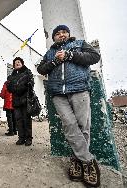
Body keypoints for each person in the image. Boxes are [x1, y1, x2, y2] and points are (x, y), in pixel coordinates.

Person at [37, 25, 101, 187]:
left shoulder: (79, 44)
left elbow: (94, 57)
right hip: (58, 92)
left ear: (69, 34)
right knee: (69, 124)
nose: (61, 35)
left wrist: (70, 55)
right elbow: (41, 68)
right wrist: (55, 61)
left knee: (83, 126)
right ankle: (88, 161)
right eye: (57, 34)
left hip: (79, 89)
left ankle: (77, 160)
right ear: (53, 38)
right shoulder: (50, 52)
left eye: (64, 32)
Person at [7, 57, 34, 146]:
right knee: (18, 120)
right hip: (16, 101)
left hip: (25, 100)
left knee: (26, 120)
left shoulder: (27, 72)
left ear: (22, 63)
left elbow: (30, 84)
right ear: (14, 65)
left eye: (19, 62)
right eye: (15, 63)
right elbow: (9, 88)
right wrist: (15, 88)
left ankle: (28, 138)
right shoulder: (12, 76)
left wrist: (21, 88)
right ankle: (21, 138)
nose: (17, 63)